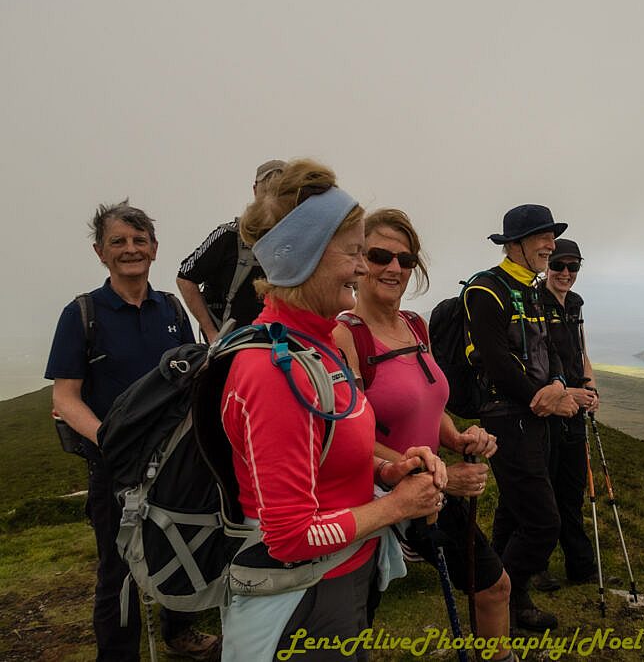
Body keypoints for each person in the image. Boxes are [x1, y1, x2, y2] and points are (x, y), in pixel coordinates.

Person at [221, 159, 447, 661]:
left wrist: (391, 468)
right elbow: (289, 536)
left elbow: (327, 454)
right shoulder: (275, 371)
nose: (364, 267)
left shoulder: (314, 345)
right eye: (353, 253)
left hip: (342, 578)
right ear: (306, 256)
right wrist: (395, 506)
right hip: (302, 598)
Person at [333, 208, 516, 659]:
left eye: (406, 259)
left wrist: (457, 438)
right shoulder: (344, 336)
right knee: (356, 620)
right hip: (378, 494)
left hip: (429, 489)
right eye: (379, 255)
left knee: (493, 588)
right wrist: (438, 476)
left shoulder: (415, 325)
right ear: (358, 261)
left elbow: (428, 402)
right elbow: (349, 437)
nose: (394, 268)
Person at [44, 200, 220, 661]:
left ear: (155, 249)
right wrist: (110, 440)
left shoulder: (171, 309)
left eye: (139, 241)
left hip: (176, 462)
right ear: (100, 251)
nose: (130, 249)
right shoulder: (82, 314)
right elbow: (65, 397)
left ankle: (179, 632)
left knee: (180, 543)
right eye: (118, 241)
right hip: (114, 464)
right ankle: (119, 654)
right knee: (117, 568)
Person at [464, 204, 579, 631]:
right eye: (541, 237)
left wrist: (562, 386)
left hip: (536, 414)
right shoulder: (485, 289)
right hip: (506, 415)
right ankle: (494, 603)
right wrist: (541, 397)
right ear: (514, 245)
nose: (551, 244)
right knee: (543, 522)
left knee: (515, 512)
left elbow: (552, 352)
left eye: (551, 236)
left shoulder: (533, 290)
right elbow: (494, 362)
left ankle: (514, 600)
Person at [533, 239, 599, 592]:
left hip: (574, 409)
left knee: (572, 491)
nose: (566, 273)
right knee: (543, 489)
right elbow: (535, 360)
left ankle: (581, 566)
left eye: (573, 267)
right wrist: (564, 392)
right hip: (546, 408)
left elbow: (582, 351)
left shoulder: (575, 305)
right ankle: (535, 565)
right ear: (548, 265)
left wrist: (590, 388)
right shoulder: (534, 302)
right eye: (559, 265)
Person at [176, 159, 284, 341]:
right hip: (231, 345)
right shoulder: (229, 235)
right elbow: (185, 277)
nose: (272, 196)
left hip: (279, 342)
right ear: (255, 190)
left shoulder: (297, 241)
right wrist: (211, 333)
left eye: (282, 189)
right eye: (267, 187)